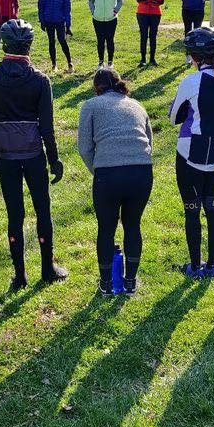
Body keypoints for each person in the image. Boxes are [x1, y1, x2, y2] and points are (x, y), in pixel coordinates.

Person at [0, 19, 67, 289]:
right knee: (42, 210)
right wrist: (54, 159)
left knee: (14, 214)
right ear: (29, 46)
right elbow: (47, 127)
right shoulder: (40, 80)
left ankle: (20, 275)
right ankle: (47, 268)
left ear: (4, 45)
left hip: (5, 155)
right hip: (33, 154)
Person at [169, 28, 214, 278]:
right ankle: (212, 265)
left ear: (195, 56)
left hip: (192, 152)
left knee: (192, 209)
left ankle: (194, 266)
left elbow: (173, 117)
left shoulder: (191, 81)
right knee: (212, 206)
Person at [77, 68, 153, 294]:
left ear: (96, 88)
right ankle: (130, 282)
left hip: (108, 175)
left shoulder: (90, 106)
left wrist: (98, 169)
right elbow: (149, 142)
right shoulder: (137, 105)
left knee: (106, 229)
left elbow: (84, 148)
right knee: (133, 225)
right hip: (141, 172)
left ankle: (106, 283)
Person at [89, 0, 123, 69]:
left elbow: (120, 1)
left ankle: (110, 62)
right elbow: (91, 0)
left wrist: (115, 11)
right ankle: (100, 62)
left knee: (110, 40)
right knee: (100, 41)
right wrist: (93, 11)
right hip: (97, 19)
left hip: (111, 19)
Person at [37, 0, 72, 72]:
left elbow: (67, 11)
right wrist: (42, 21)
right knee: (51, 42)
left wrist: (68, 26)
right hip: (48, 22)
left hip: (60, 21)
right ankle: (54, 65)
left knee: (62, 41)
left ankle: (69, 63)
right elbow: (40, 7)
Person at [135, 0, 164, 67]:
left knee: (153, 36)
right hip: (142, 13)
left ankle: (152, 58)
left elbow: (161, 0)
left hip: (155, 14)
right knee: (143, 35)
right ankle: (143, 59)